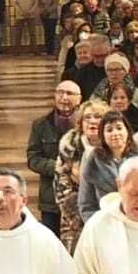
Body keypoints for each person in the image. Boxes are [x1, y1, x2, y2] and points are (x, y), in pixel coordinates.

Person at [27, 78, 81, 234]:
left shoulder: (86, 124)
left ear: (79, 99)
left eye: (70, 94)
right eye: (60, 93)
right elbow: (33, 159)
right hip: (50, 198)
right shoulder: (40, 125)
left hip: (79, 194)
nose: (64, 98)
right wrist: (59, 168)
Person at [56, 99, 104, 251]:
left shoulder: (114, 147)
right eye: (87, 117)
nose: (92, 121)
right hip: (74, 215)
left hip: (106, 213)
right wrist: (76, 216)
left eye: (98, 117)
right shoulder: (69, 148)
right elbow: (61, 185)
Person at [79, 109, 138, 223]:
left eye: (119, 128)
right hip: (104, 224)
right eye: (109, 130)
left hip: (137, 222)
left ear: (127, 131)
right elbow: (86, 202)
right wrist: (97, 226)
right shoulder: (94, 159)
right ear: (102, 135)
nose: (115, 133)